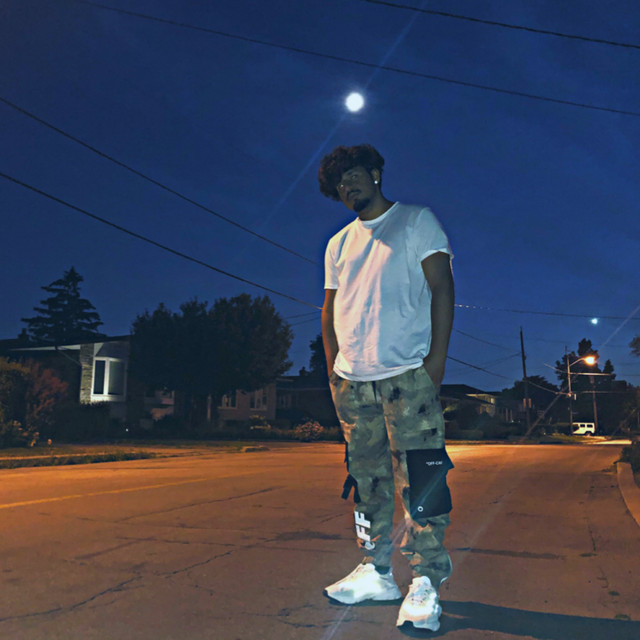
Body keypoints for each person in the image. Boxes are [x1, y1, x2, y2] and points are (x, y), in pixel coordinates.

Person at [319, 144, 455, 632]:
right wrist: (335, 371)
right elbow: (330, 309)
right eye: (339, 184)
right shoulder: (337, 244)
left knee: (421, 479)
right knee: (367, 480)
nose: (347, 187)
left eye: (353, 175)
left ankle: (425, 579)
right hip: (354, 382)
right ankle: (376, 570)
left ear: (375, 173)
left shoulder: (416, 221)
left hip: (407, 375)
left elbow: (442, 287)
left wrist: (435, 361)